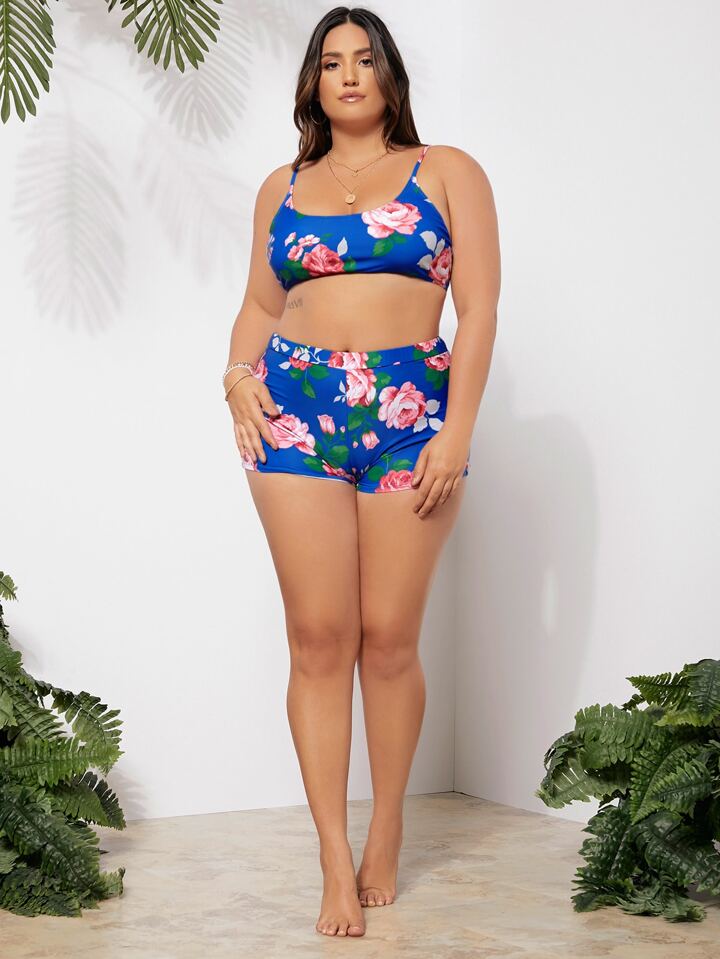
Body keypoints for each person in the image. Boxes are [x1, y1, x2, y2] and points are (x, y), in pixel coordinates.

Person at [223, 5, 500, 939]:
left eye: (364, 59)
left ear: (389, 76)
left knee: (387, 638)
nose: (347, 74)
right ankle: (333, 861)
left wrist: (456, 431)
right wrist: (236, 376)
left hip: (410, 418)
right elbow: (260, 304)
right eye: (331, 61)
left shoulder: (447, 171)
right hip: (294, 413)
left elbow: (480, 308)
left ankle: (387, 826)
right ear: (313, 81)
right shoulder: (282, 186)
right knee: (318, 638)